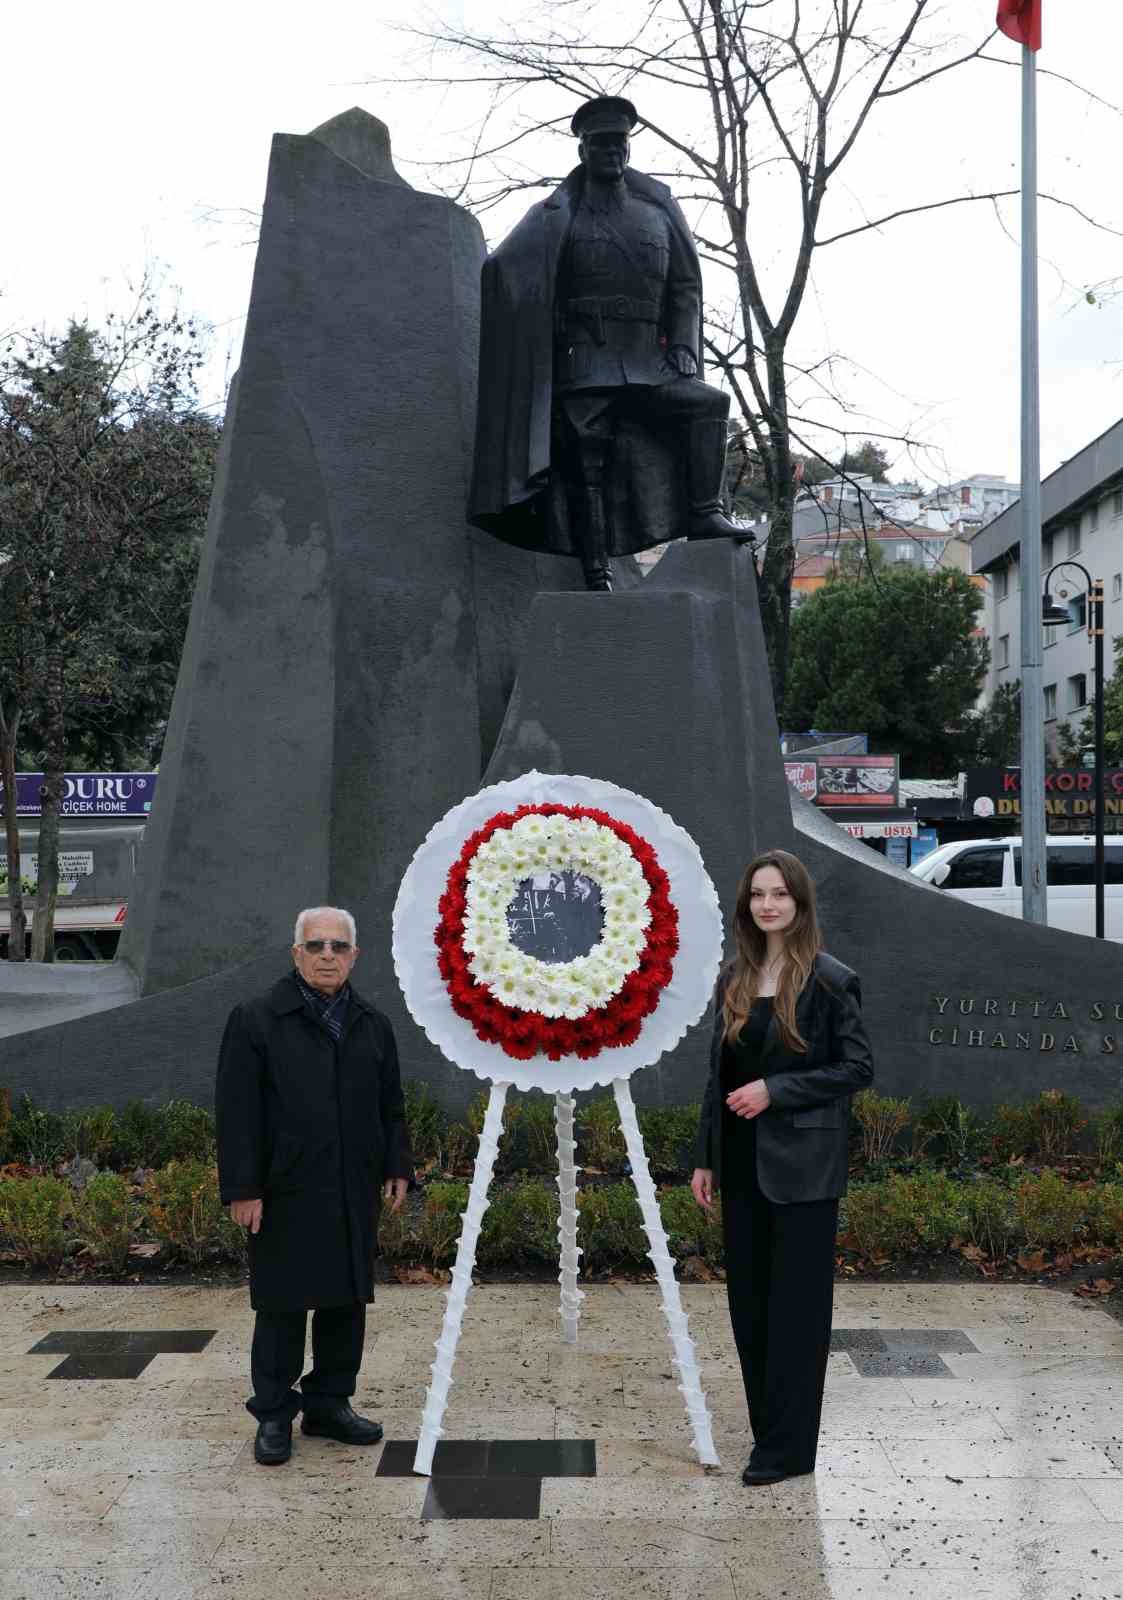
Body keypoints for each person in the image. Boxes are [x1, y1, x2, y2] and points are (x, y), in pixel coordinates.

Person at [468, 94, 739, 592]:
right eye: (600, 143)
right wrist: (539, 338)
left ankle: (705, 514)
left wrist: (682, 345)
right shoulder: (555, 214)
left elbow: (685, 286)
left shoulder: (658, 209)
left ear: (628, 149)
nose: (611, 151)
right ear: (583, 151)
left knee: (709, 405)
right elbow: (502, 273)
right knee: (587, 462)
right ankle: (596, 571)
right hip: (585, 363)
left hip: (649, 364)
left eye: (619, 142)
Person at [691, 850, 873, 1486]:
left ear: (799, 904)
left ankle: (788, 1451)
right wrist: (706, 1158)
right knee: (750, 1311)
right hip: (741, 1170)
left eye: (780, 895)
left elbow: (856, 1069)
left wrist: (777, 1090)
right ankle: (767, 1433)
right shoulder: (733, 978)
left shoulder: (829, 980)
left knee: (796, 1315)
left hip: (804, 1174)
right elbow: (718, 1079)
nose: (768, 905)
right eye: (758, 895)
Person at [216, 906, 413, 1465]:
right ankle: (275, 1413)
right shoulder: (255, 1019)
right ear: (296, 954)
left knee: (345, 1301)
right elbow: (236, 1112)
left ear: (355, 955)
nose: (328, 955)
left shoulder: (372, 1023)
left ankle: (329, 1403)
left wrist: (397, 1164)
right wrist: (243, 1187)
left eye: (339, 946)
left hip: (352, 1187)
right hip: (282, 1191)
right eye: (316, 945)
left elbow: (390, 1106)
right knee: (281, 1303)